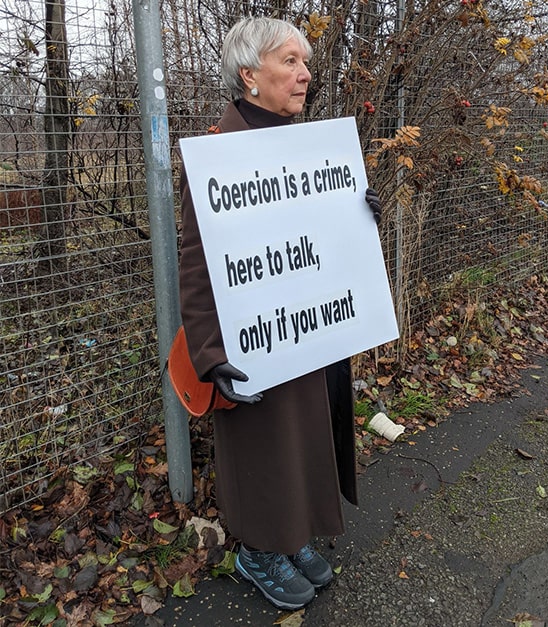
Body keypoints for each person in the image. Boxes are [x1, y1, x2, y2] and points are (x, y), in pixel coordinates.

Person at [177, 16, 382, 610]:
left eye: (306, 62)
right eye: (289, 61)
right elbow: (195, 264)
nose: (304, 74)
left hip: (306, 328)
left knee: (305, 429)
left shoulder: (310, 148)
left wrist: (359, 210)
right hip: (253, 338)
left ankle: (293, 538)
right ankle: (257, 550)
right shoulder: (217, 155)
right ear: (249, 74)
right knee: (264, 440)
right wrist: (210, 355)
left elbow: (326, 240)